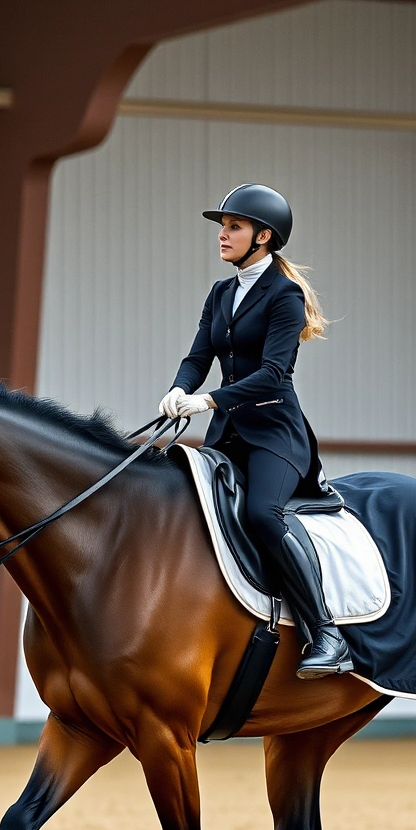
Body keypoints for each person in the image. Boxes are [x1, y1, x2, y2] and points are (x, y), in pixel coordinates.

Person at [160, 183, 351, 679]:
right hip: (227, 433)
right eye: (222, 227)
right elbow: (198, 356)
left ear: (263, 236)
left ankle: (327, 633)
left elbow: (273, 374)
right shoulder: (221, 292)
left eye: (234, 227)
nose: (222, 235)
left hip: (274, 434)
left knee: (264, 515)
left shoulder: (284, 295)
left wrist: (208, 400)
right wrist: (179, 389)